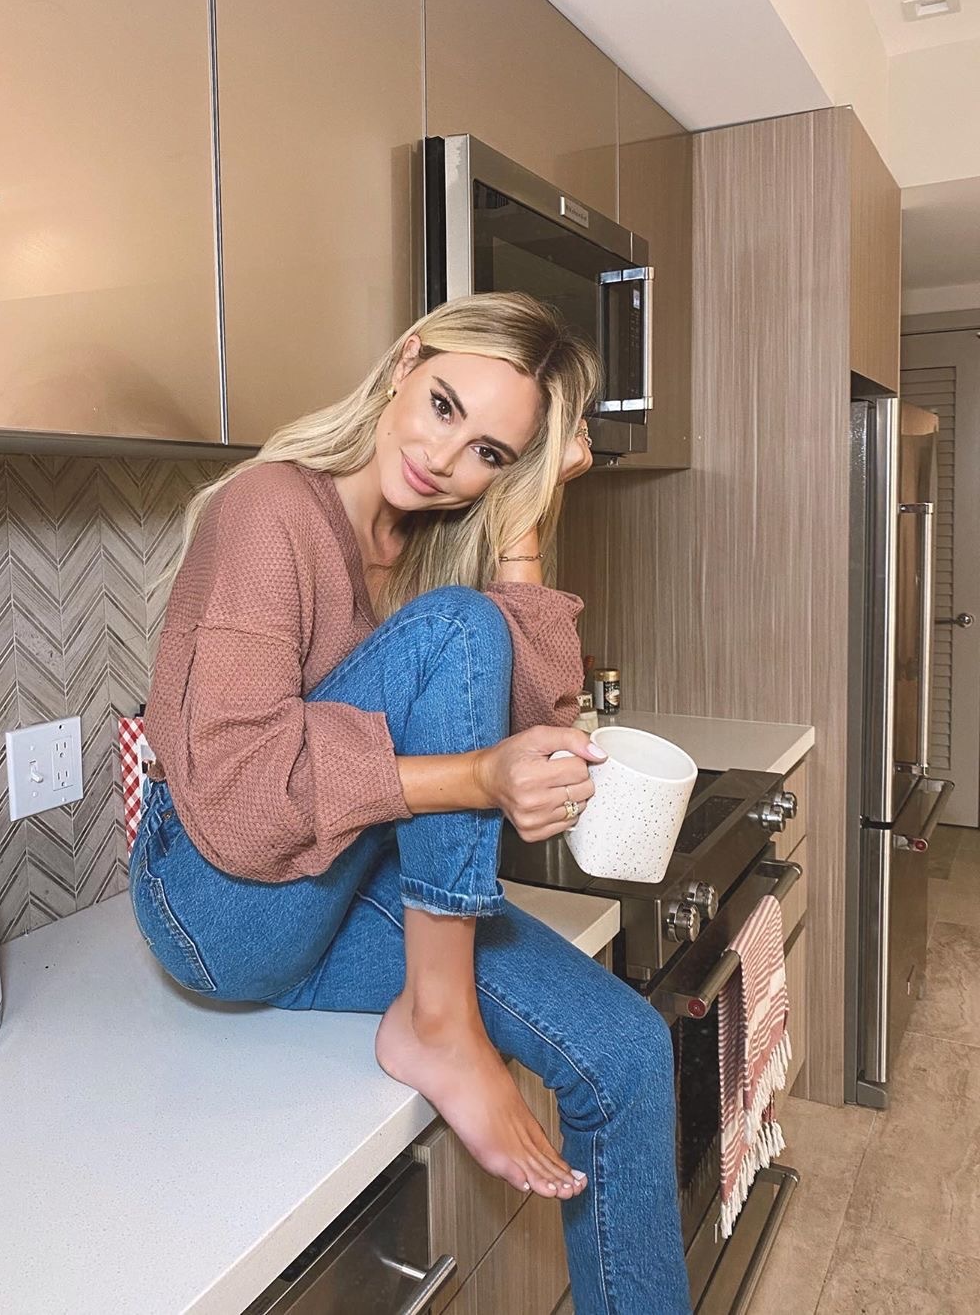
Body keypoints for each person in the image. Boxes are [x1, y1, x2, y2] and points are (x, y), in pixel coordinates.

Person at [130, 292, 691, 1314]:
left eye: (488, 453)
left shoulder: (434, 546)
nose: (444, 458)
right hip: (219, 901)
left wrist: (523, 523)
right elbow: (244, 796)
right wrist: (475, 777)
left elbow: (542, 716)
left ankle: (439, 1015)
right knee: (459, 630)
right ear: (404, 365)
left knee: (627, 1051)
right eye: (442, 405)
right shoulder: (269, 509)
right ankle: (438, 1018)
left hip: (346, 887)